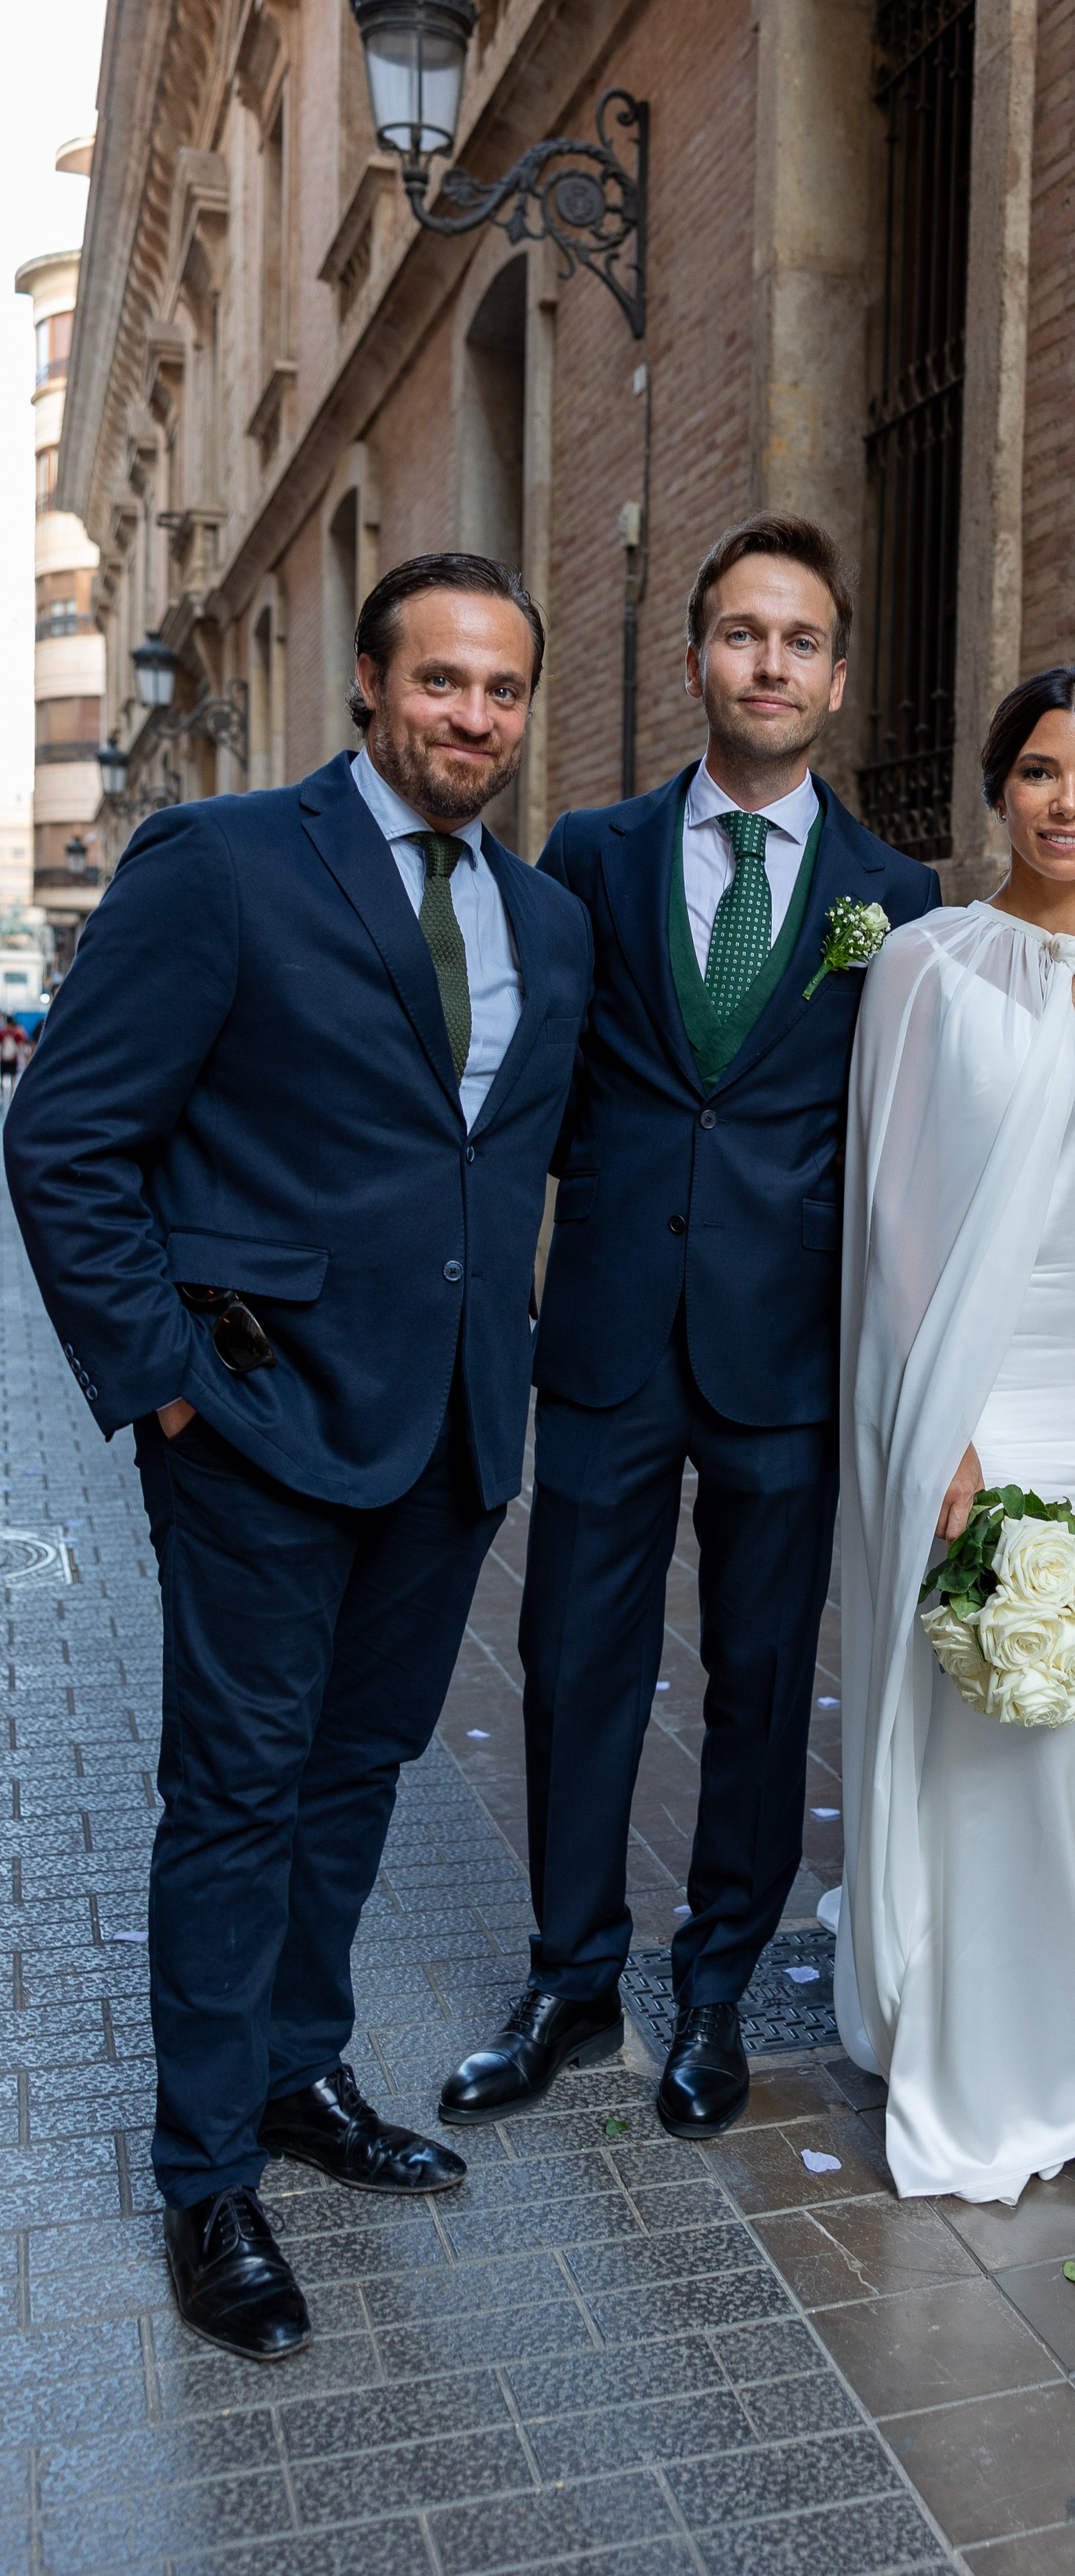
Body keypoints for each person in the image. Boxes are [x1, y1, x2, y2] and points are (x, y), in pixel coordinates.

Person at [5, 553, 593, 2362]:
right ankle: (204, 2177)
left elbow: (492, 1171)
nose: (472, 718)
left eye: (500, 690)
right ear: (368, 680)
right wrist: (169, 1380)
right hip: (255, 1429)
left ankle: (290, 2077)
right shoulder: (230, 864)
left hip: (449, 1433)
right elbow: (69, 1136)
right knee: (240, 1793)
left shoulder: (547, 924)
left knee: (358, 1774)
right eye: (440, 683)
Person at [438, 515, 937, 2143]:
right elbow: (538, 1086)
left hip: (785, 1341)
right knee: (573, 1655)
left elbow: (897, 1136)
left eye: (798, 641)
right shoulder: (591, 852)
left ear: (838, 678)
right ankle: (572, 1974)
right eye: (740, 634)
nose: (768, 664)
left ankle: (711, 1986)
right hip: (603, 1324)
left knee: (760, 1669)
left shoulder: (893, 895)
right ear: (695, 658)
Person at [835, 666, 1075, 2199]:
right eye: (1041, 771)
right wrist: (934, 1425)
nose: (1069, 801)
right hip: (988, 1378)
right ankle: (1007, 2048)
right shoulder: (926, 966)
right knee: (999, 1710)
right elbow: (892, 1211)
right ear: (993, 791)